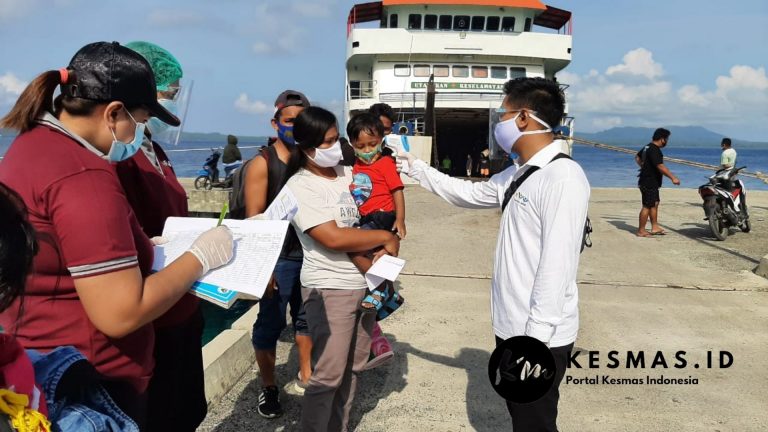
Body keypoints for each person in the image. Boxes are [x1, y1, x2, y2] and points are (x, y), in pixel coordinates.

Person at [0, 41, 233, 428]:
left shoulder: (31, 146)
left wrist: (141, 246)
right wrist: (199, 257)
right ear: (113, 113)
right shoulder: (84, 175)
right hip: (95, 380)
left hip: (40, 359)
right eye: (139, 121)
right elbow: (121, 314)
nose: (139, 133)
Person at [396, 77, 590, 432]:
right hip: (512, 325)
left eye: (503, 113)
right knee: (522, 418)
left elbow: (557, 265)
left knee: (535, 423)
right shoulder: (520, 173)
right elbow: (468, 194)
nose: (498, 121)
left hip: (537, 335)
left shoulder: (563, 178)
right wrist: (416, 168)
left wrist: (535, 342)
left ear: (523, 118)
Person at [285, 106, 400, 432]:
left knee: (353, 370)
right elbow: (332, 237)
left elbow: (383, 203)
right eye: (331, 141)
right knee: (328, 375)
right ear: (308, 148)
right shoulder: (300, 186)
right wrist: (383, 236)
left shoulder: (349, 174)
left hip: (365, 284)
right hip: (330, 288)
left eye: (339, 139)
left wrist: (391, 236)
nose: (339, 147)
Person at [116, 41, 206, 432]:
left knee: (187, 409)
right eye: (165, 93)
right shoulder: (120, 156)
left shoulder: (153, 149)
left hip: (181, 302)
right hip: (156, 310)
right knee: (163, 413)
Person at [243, 90, 313, 418]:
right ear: (275, 123)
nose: (295, 127)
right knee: (269, 322)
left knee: (306, 319)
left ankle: (307, 376)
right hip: (279, 259)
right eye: (289, 121)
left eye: (301, 121)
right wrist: (264, 267)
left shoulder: (312, 159)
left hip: (311, 255)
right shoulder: (262, 164)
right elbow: (252, 220)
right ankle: (269, 387)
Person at [347, 113, 406, 315]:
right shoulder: (355, 165)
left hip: (383, 215)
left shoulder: (385, 163)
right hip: (368, 217)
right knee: (374, 255)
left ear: (381, 140)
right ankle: (391, 297)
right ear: (352, 144)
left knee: (354, 248)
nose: (367, 151)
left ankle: (380, 288)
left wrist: (400, 219)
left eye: (372, 144)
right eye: (360, 146)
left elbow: (397, 191)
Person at [634, 128, 680, 237]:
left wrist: (644, 167)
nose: (667, 142)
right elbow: (660, 166)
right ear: (662, 139)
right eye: (667, 139)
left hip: (649, 181)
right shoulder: (655, 150)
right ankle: (641, 230)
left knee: (655, 203)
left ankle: (655, 227)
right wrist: (673, 178)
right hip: (649, 182)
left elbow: (637, 157)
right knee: (647, 206)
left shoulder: (647, 147)